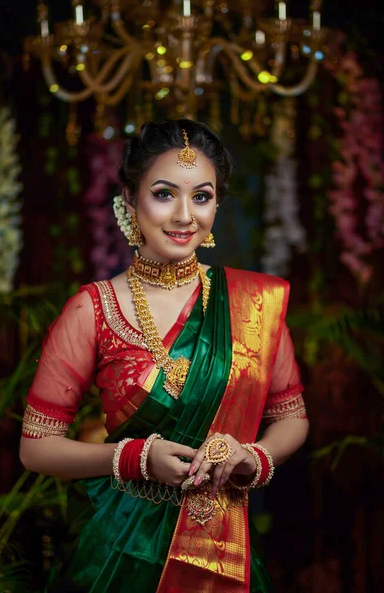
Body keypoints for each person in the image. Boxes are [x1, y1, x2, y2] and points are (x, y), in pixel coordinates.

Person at [19, 119, 309, 593]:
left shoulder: (254, 305)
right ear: (130, 201)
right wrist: (134, 459)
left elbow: (291, 417)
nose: (184, 216)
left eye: (201, 197)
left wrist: (253, 457)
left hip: (220, 548)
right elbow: (35, 447)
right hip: (117, 549)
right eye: (163, 194)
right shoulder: (91, 309)